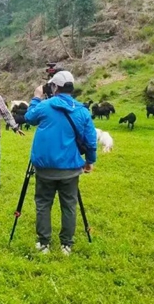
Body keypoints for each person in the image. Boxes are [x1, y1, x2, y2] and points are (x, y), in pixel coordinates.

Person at [24, 71, 98, 256]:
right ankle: (66, 244)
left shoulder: (45, 106)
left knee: (43, 203)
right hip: (71, 169)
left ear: (55, 87)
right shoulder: (82, 111)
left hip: (45, 168)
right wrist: (90, 161)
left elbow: (29, 117)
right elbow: (90, 141)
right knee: (69, 205)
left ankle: (44, 243)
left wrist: (36, 97)